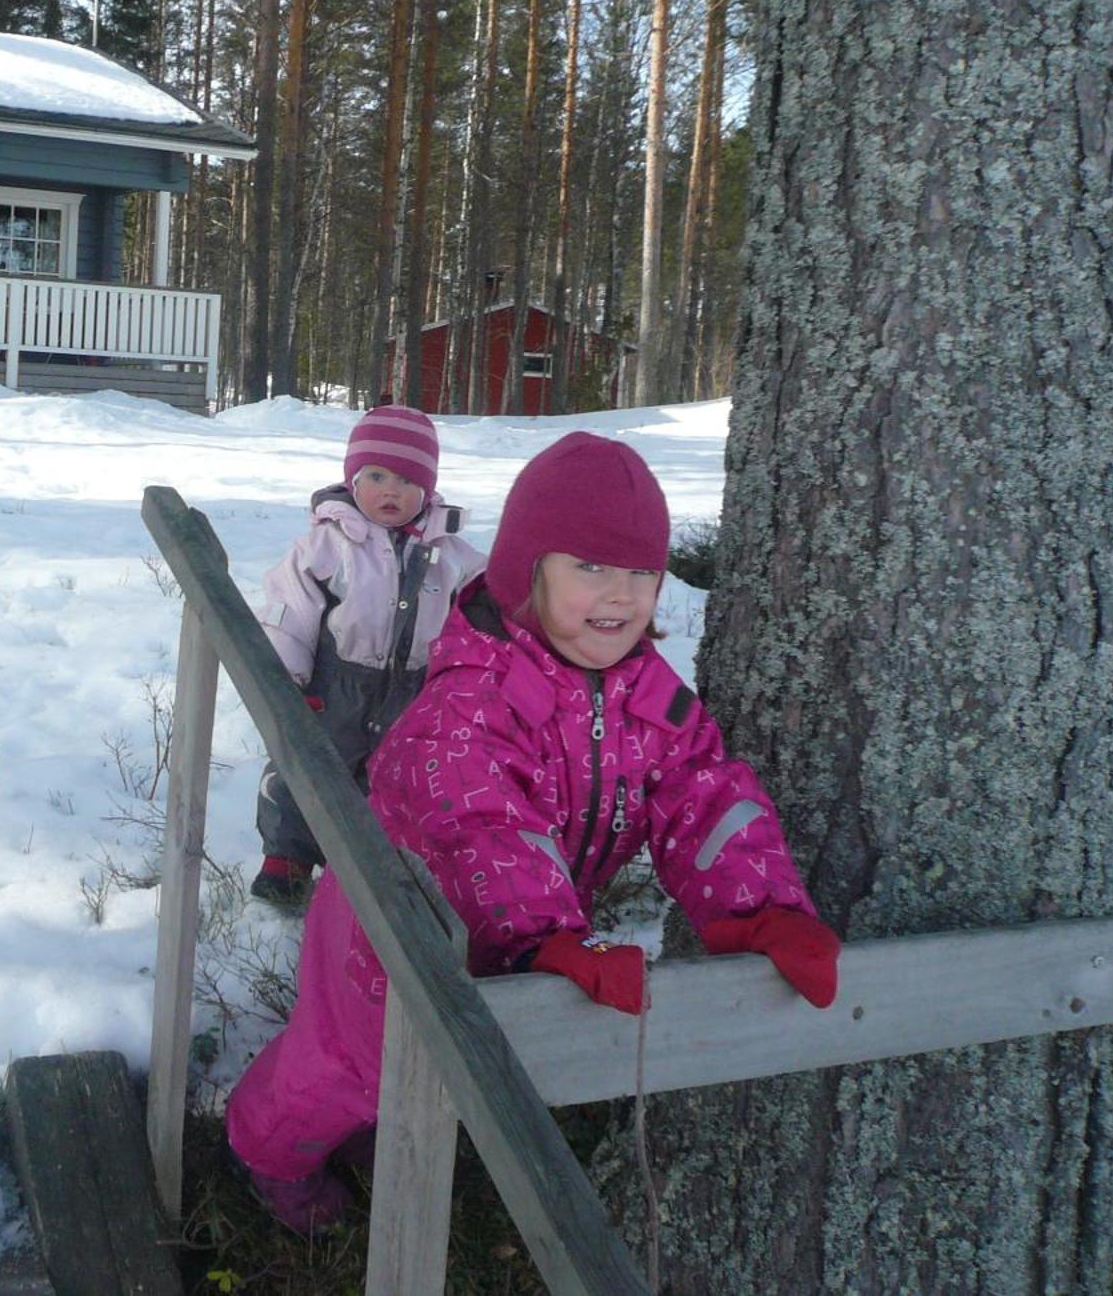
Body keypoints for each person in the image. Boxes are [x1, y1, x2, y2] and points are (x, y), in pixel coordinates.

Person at [225, 431, 841, 1234]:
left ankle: (388, 1126)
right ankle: (265, 1152)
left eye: (640, 572)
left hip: (524, 935)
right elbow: (480, 823)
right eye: (589, 567)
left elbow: (703, 787)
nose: (618, 596)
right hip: (390, 938)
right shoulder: (473, 697)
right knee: (353, 1067)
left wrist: (761, 908)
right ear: (525, 570)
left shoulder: (640, 688)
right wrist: (549, 936)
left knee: (457, 1068)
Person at [249, 406, 487, 907]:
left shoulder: (453, 555)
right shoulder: (326, 545)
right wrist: (287, 683)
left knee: (392, 780)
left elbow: (479, 616)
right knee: (308, 768)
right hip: (335, 687)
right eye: (376, 476)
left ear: (427, 487)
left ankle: (370, 866)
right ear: (353, 479)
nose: (390, 491)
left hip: (414, 692)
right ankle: (287, 856)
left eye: (405, 480)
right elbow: (291, 610)